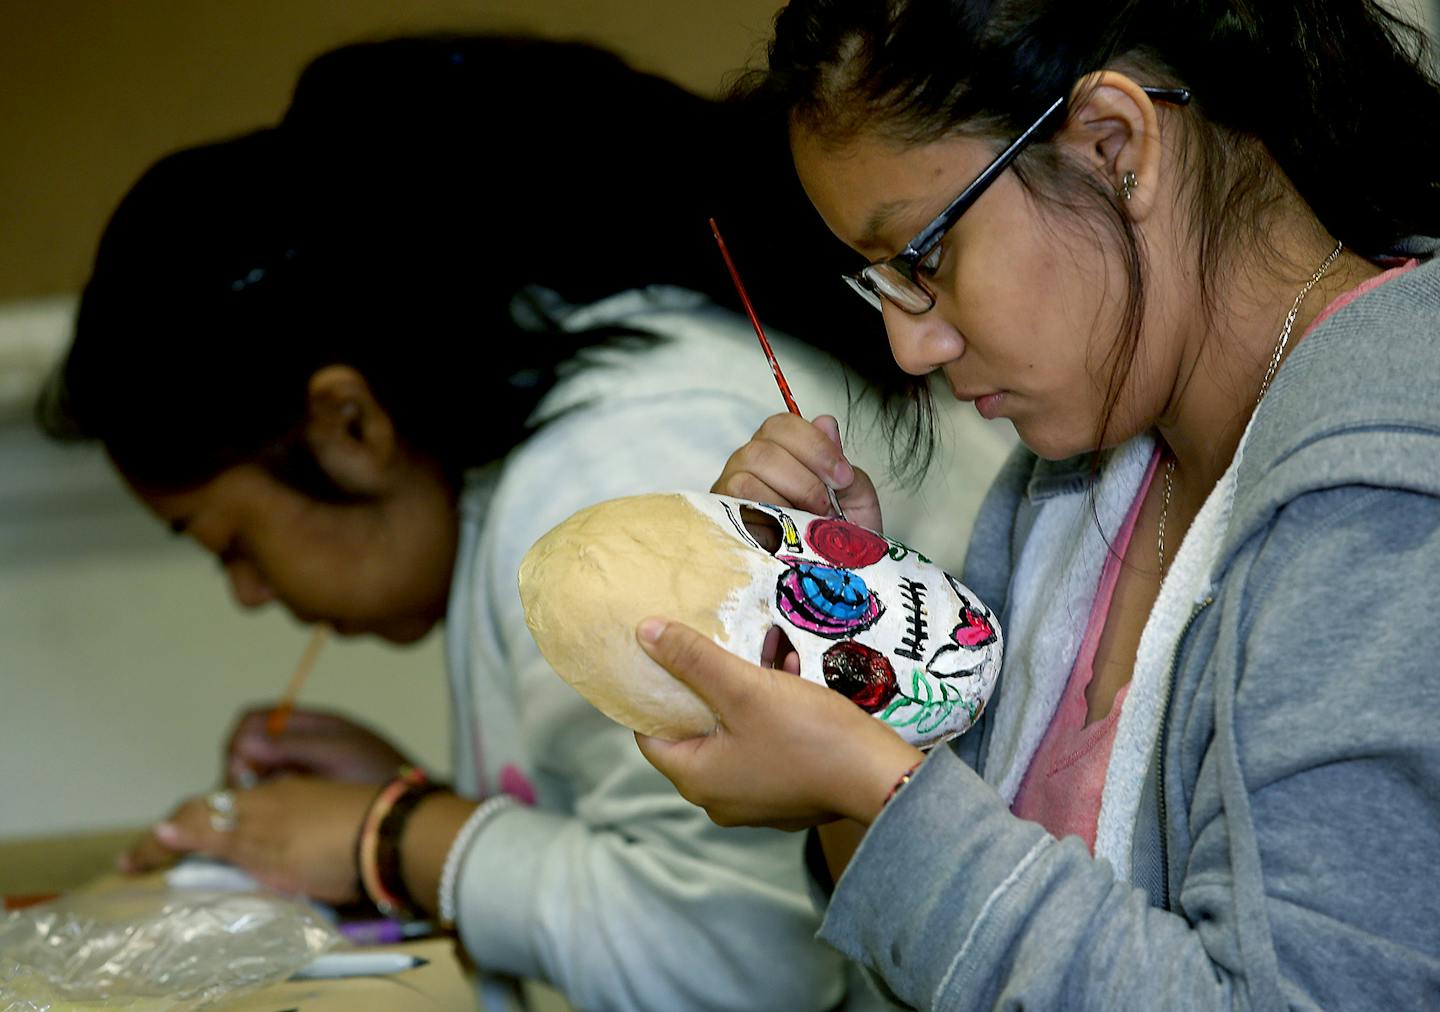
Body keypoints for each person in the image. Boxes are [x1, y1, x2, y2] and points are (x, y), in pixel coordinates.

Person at [37, 34, 1013, 1011]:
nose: (251, 594)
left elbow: (747, 963)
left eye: (233, 545)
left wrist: (395, 835)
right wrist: (417, 805)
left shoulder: (600, 479)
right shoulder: (553, 428)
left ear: (349, 423)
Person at [632, 1, 1440, 1008]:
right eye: (877, 284)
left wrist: (878, 791)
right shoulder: (1065, 487)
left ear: (1113, 144)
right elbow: (953, 962)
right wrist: (861, 666)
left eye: (924, 259)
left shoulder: (1392, 498)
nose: (910, 347)